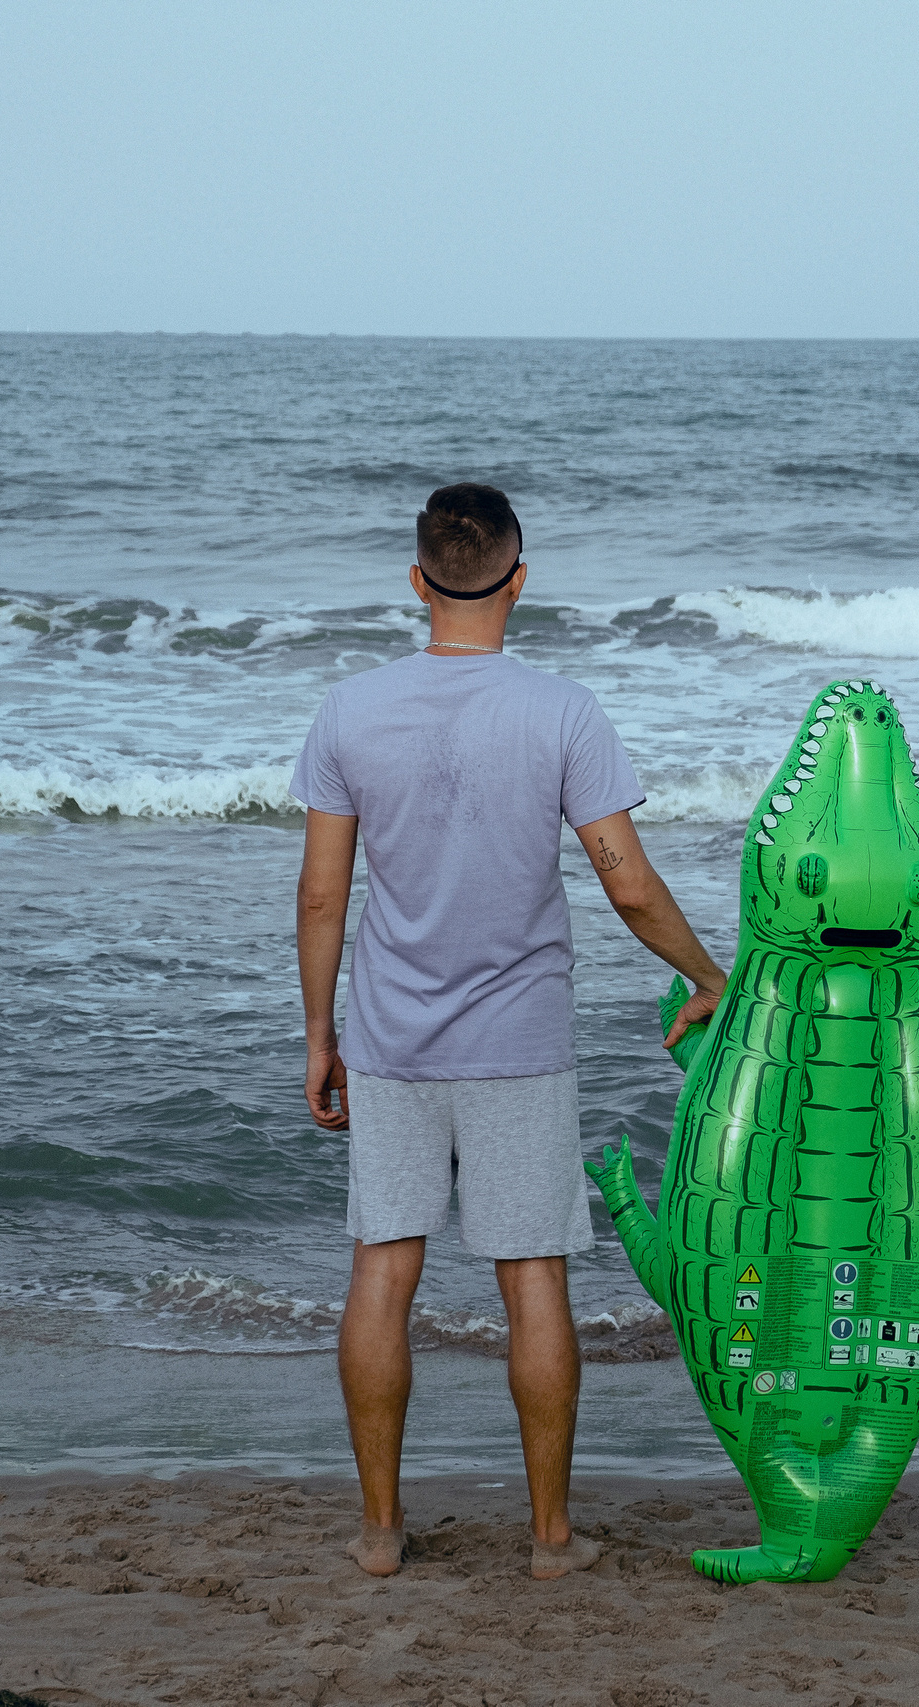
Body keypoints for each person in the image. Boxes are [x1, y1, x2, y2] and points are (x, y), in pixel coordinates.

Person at [291, 482, 727, 1580]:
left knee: (382, 1270)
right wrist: (708, 974)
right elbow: (625, 886)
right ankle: (547, 1539)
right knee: (533, 1278)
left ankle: (381, 1531)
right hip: (519, 1040)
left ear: (416, 581)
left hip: (390, 1037)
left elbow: (320, 899)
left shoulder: (350, 710)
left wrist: (316, 1035)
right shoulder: (562, 711)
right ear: (518, 581)